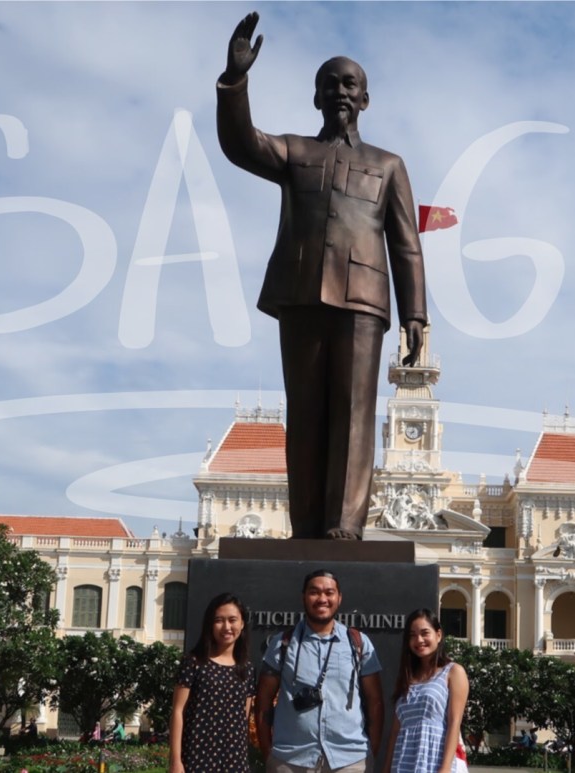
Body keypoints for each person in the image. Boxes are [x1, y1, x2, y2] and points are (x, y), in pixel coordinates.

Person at [217, 13, 428, 540]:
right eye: (330, 84)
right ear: (316, 97)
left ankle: (345, 524)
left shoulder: (388, 164)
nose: (340, 92)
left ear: (365, 99)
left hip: (364, 299)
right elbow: (241, 143)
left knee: (355, 414)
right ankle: (307, 524)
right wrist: (235, 80)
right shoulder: (295, 151)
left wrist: (415, 314)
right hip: (301, 292)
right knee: (306, 411)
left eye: (350, 84)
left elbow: (406, 243)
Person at [256, 569, 384, 772]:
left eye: (329, 592)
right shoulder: (282, 644)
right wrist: (268, 753)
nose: (322, 599)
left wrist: (371, 750)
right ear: (303, 597)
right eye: (314, 592)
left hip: (350, 760)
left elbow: (375, 701)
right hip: (291, 760)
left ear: (339, 598)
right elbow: (263, 701)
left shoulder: (358, 643)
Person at [169, 592, 255, 773]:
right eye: (219, 620)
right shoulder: (193, 662)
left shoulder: (246, 668)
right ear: (210, 624)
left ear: (242, 623)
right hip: (197, 758)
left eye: (232, 620)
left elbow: (243, 718)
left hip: (234, 761)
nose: (226, 627)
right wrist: (176, 761)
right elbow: (178, 712)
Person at [383, 610, 469, 773]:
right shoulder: (407, 677)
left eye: (424, 633)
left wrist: (445, 768)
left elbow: (454, 723)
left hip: (433, 761)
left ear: (438, 635)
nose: (419, 640)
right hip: (403, 762)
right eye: (412, 635)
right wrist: (386, 768)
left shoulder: (453, 672)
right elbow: (395, 731)